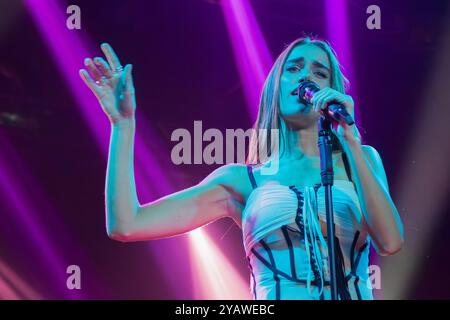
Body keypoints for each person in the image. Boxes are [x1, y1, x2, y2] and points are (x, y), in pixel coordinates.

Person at [79, 36, 404, 300]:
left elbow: (390, 241)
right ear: (276, 87)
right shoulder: (243, 180)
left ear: (332, 90)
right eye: (294, 67)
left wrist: (349, 139)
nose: (306, 76)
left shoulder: (360, 159)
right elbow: (127, 224)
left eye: (320, 72)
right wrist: (123, 125)